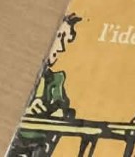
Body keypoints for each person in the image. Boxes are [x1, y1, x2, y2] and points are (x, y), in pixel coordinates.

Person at [8, 13, 82, 157]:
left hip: (38, 146)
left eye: (66, 40)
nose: (61, 48)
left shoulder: (56, 80)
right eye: (59, 37)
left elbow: (63, 108)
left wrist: (58, 112)